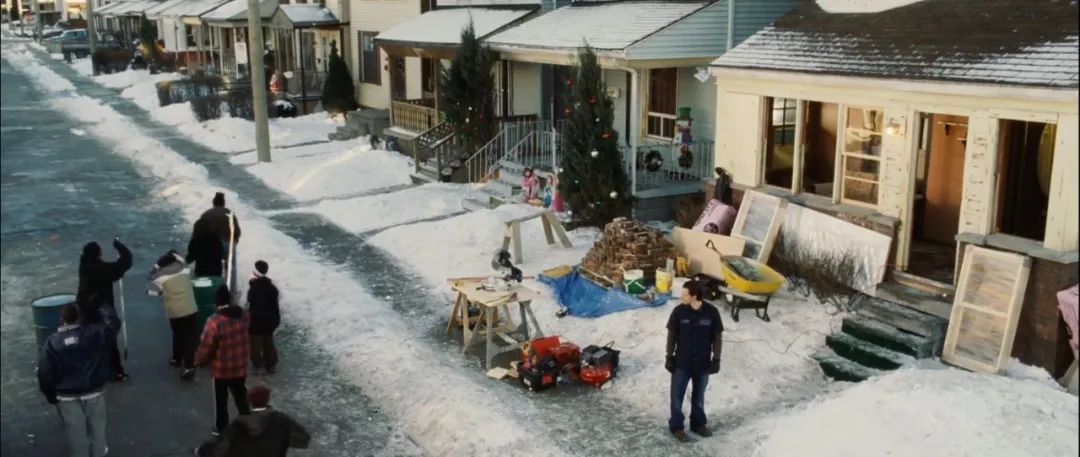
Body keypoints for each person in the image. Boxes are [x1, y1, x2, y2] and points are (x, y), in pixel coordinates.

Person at [38, 303, 120, 457]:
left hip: (66, 397)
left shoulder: (52, 342)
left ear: (62, 320)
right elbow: (113, 326)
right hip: (93, 392)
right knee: (97, 429)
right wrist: (104, 306)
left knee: (75, 433)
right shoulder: (93, 333)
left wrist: (51, 395)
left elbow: (45, 372)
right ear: (79, 318)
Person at [665, 279, 723, 442]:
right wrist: (669, 356)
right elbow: (671, 336)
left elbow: (717, 338)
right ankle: (676, 427)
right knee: (677, 397)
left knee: (698, 397)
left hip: (702, 364)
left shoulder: (712, 312)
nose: (682, 297)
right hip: (681, 363)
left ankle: (698, 424)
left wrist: (716, 359)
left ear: (694, 296)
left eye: (685, 294)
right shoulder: (679, 312)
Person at [195, 385, 311, 457]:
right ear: (267, 399)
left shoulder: (239, 424)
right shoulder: (281, 420)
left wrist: (201, 451)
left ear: (250, 401)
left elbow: (220, 446)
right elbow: (303, 439)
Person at [196, 285, 252, 435]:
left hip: (222, 368)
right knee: (241, 395)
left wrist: (199, 361)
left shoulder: (214, 321)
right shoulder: (245, 315)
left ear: (216, 303)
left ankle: (221, 428)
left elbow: (206, 345)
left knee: (221, 400)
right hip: (240, 364)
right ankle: (248, 423)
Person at [77, 238, 132, 382]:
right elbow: (126, 262)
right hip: (102, 310)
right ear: (98, 254)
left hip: (85, 310)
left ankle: (94, 372)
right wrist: (119, 246)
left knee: (91, 341)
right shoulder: (102, 269)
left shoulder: (83, 267)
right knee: (108, 340)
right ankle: (115, 372)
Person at [148, 250, 199, 380]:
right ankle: (189, 366)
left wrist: (157, 266)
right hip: (190, 308)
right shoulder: (185, 269)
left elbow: (152, 287)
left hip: (174, 312)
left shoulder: (159, 278)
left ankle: (177, 358)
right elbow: (182, 259)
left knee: (178, 334)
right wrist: (173, 255)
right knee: (189, 337)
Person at [199, 192, 241, 297]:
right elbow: (237, 232)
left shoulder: (206, 214)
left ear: (213, 203)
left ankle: (214, 292)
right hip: (228, 244)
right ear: (223, 203)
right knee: (231, 267)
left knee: (211, 267)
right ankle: (231, 293)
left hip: (213, 245)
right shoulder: (230, 214)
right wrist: (234, 243)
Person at [247, 260, 280, 375]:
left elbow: (251, 303)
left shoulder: (253, 289)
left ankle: (257, 364)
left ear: (255, 273)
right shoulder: (272, 288)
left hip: (256, 321)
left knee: (255, 343)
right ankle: (271, 364)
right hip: (271, 320)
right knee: (268, 341)